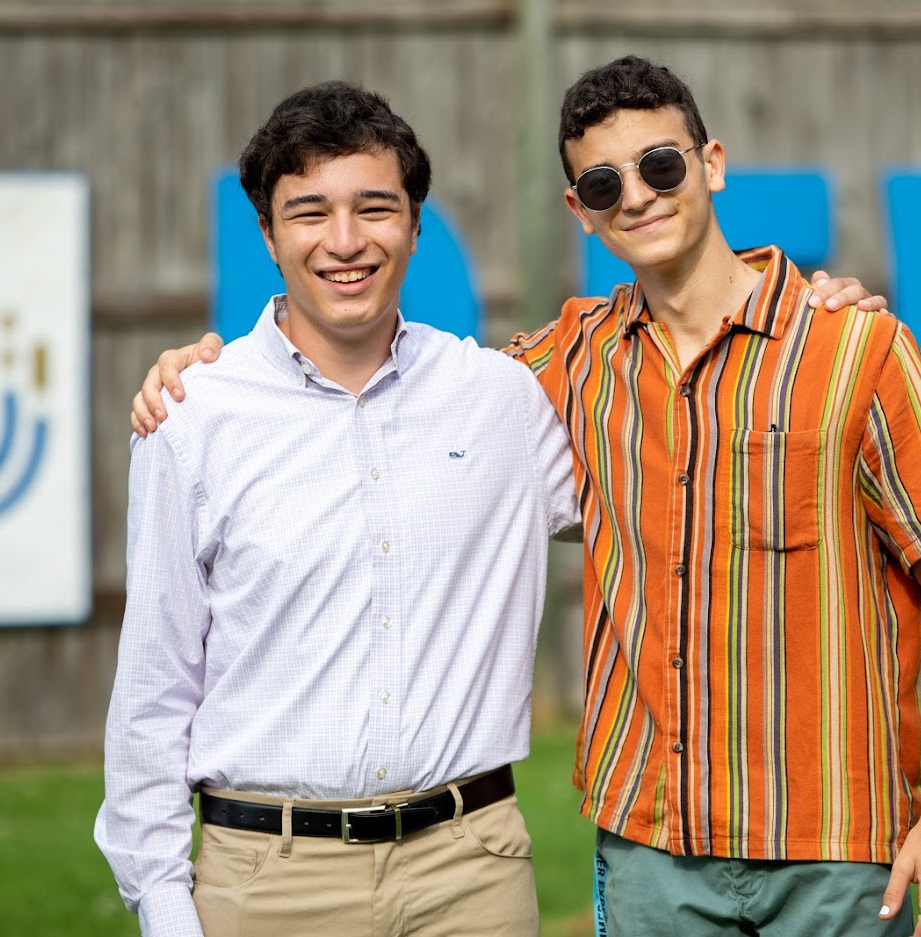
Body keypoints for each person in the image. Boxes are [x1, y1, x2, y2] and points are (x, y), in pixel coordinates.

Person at [130, 58, 921, 937]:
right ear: (580, 209)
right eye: (602, 181)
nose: (640, 195)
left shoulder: (851, 346)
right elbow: (160, 680)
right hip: (650, 847)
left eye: (662, 164)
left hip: (835, 839)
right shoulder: (558, 368)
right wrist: (190, 373)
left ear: (712, 163)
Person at [95, 79, 582, 937]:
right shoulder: (193, 417)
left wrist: (815, 312)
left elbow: (685, 462)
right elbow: (153, 691)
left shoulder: (502, 403)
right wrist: (167, 910)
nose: (345, 241)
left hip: (471, 876)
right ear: (268, 234)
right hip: (268, 881)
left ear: (416, 223)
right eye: (310, 212)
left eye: (375, 208)